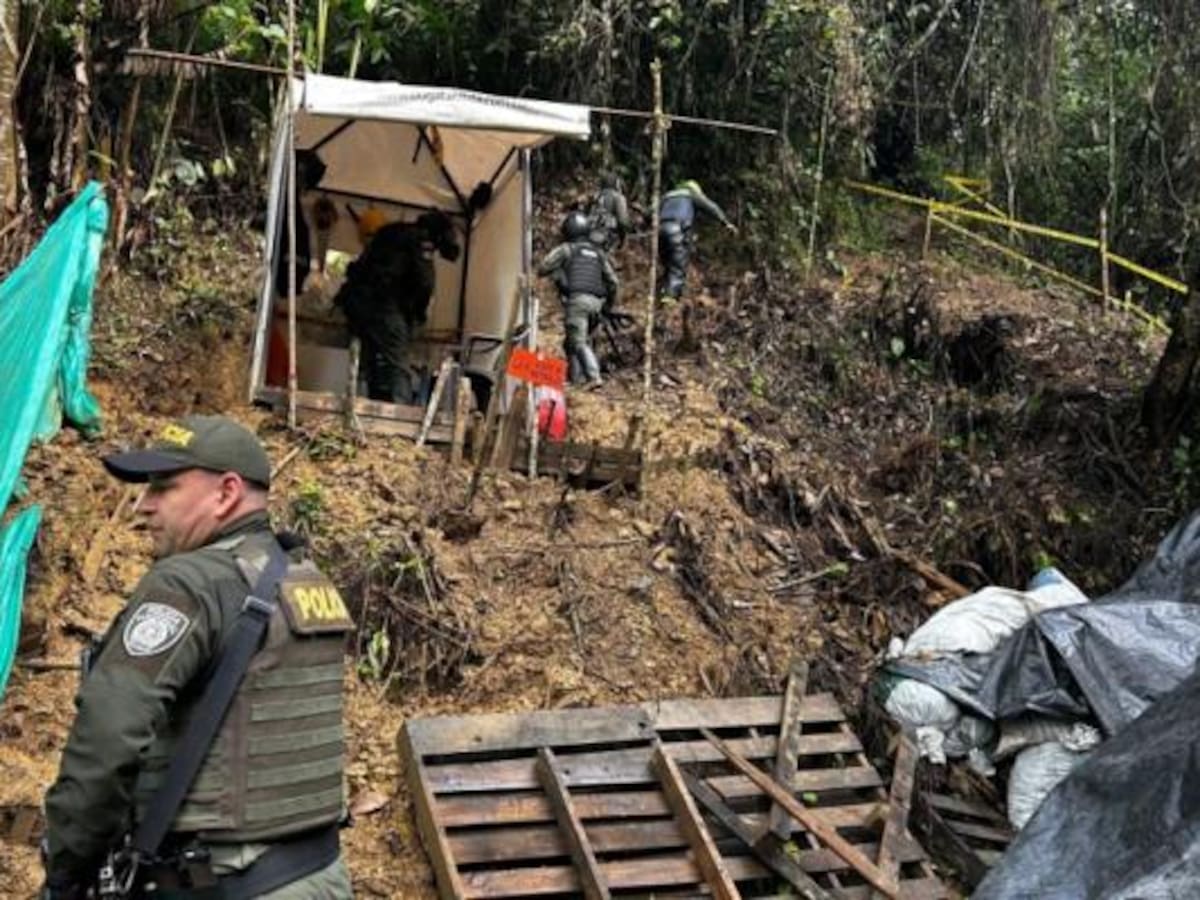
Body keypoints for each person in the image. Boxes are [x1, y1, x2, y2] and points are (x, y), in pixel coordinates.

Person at [41, 415, 354, 899]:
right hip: (320, 875)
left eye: (162, 488)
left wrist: (65, 872)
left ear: (225, 493)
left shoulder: (188, 583)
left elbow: (108, 738)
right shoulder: (303, 577)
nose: (141, 507)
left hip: (224, 884)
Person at [335, 209, 460, 404]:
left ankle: (365, 409)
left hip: (358, 305)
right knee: (397, 364)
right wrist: (418, 315)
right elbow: (425, 282)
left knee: (370, 364)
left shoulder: (391, 232)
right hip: (383, 305)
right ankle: (401, 418)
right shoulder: (421, 240)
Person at [537, 211, 619, 389]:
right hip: (597, 304)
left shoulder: (566, 249)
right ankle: (575, 380)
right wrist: (607, 306)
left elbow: (543, 267)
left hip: (577, 303)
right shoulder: (597, 253)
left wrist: (558, 275)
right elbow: (613, 282)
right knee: (571, 342)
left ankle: (593, 377)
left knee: (578, 342)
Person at [657, 179, 736, 301]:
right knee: (678, 267)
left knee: (668, 265)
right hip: (677, 231)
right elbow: (711, 207)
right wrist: (725, 222)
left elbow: (650, 213)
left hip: (660, 232)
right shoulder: (690, 194)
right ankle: (670, 301)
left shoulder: (667, 196)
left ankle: (661, 293)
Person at [587, 172, 631, 251]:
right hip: (607, 235)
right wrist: (623, 237)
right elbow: (623, 221)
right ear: (617, 184)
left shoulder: (596, 196)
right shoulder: (618, 197)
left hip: (589, 233)